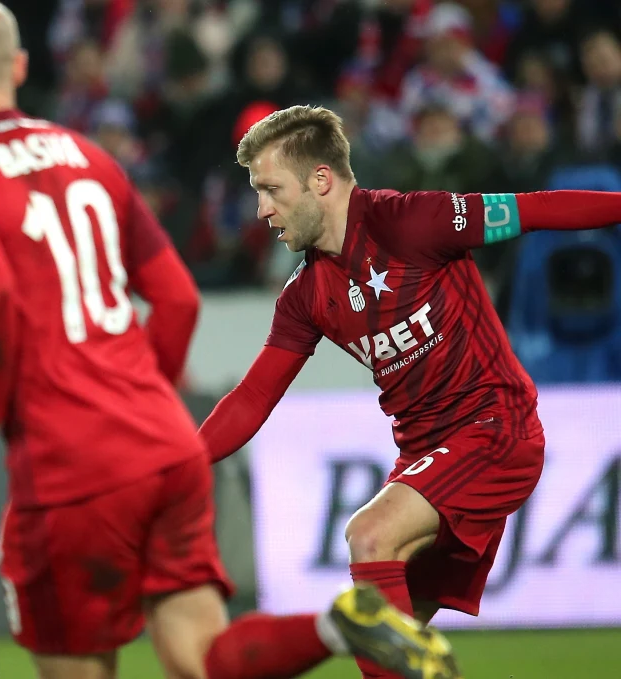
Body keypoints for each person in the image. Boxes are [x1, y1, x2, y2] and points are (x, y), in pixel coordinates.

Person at [0, 3, 461, 679]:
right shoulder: (89, 156)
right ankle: (334, 624)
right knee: (202, 659)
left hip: (67, 462)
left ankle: (338, 623)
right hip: (163, 440)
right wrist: (138, 397)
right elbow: (177, 297)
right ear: (18, 67)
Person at [199, 103, 621, 679]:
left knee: (368, 535)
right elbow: (251, 398)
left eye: (271, 189)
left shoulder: (413, 222)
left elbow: (537, 210)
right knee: (387, 630)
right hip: (424, 457)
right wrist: (183, 460)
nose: (261, 210)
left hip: (496, 429)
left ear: (320, 180)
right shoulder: (304, 296)